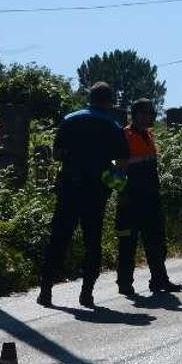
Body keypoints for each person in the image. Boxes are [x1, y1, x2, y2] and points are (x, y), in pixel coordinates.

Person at [38, 82, 129, 308]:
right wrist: (113, 180)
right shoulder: (113, 126)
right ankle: (86, 292)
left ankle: (46, 291)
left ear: (89, 98)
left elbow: (57, 155)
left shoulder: (70, 119)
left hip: (69, 188)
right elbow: (123, 162)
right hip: (96, 192)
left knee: (58, 239)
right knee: (92, 242)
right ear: (109, 102)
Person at [115, 99, 182, 295]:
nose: (149, 116)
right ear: (134, 114)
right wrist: (122, 194)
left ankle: (159, 280)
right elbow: (117, 169)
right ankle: (125, 283)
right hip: (130, 198)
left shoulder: (149, 135)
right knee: (128, 243)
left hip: (151, 196)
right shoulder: (124, 135)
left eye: (151, 113)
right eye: (145, 113)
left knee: (157, 241)